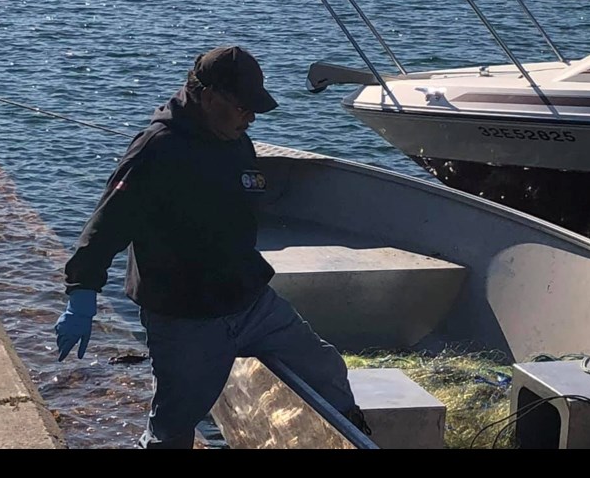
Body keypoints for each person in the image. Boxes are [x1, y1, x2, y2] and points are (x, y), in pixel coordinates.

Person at [54, 45, 370, 449]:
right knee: (173, 427)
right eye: (243, 108)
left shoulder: (237, 140)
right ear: (209, 97)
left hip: (252, 302)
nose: (251, 118)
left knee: (324, 366)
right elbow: (107, 223)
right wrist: (82, 293)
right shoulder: (157, 149)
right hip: (187, 318)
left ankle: (358, 437)